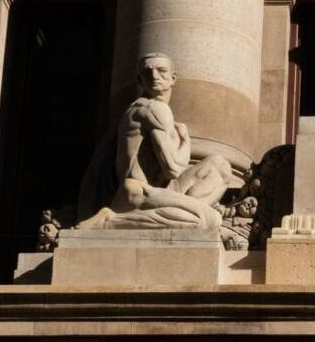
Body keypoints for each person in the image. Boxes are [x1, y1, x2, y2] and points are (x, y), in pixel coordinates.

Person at [79, 54, 232, 230]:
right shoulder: (152, 108)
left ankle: (184, 210)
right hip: (136, 193)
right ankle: (109, 221)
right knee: (207, 220)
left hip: (158, 191)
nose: (154, 76)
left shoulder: (147, 108)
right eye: (147, 72)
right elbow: (173, 169)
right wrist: (185, 140)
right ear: (140, 80)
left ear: (173, 78)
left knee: (220, 166)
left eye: (161, 71)